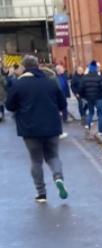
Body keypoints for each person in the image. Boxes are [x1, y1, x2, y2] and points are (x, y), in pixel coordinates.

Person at [5, 55, 69, 202]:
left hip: (30, 128)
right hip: (52, 126)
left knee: (36, 160)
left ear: (23, 67)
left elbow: (9, 106)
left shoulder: (19, 85)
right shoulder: (50, 82)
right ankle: (58, 177)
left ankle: (41, 193)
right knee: (53, 156)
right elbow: (63, 104)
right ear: (38, 65)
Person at [80, 61, 102, 135]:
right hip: (99, 97)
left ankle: (88, 127)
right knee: (100, 114)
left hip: (89, 98)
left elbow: (81, 89)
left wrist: (84, 96)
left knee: (90, 113)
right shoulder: (100, 77)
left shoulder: (84, 78)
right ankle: (100, 131)